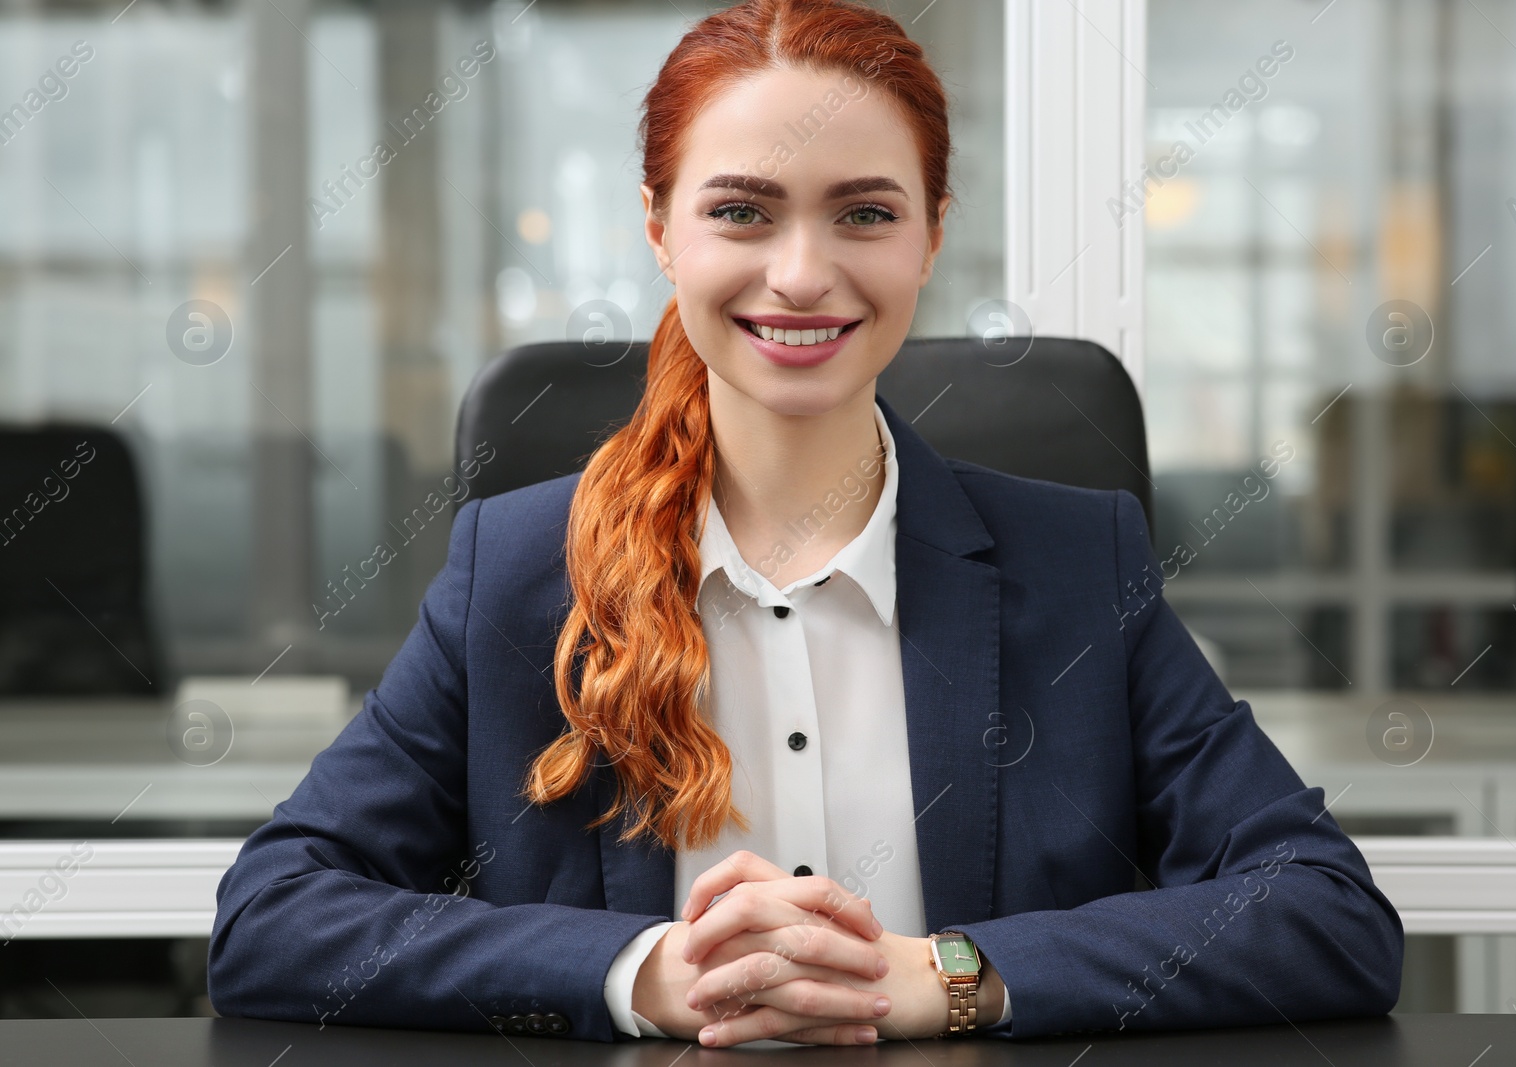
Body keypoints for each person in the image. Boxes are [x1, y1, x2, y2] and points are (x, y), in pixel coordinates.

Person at [207, 0, 1404, 1048]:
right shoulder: (520, 571)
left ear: (933, 231)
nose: (800, 273)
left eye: (864, 214)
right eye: (741, 211)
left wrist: (939, 977)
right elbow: (275, 917)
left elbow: (1321, 912)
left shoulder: (1077, 566)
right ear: (658, 228)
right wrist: (642, 974)